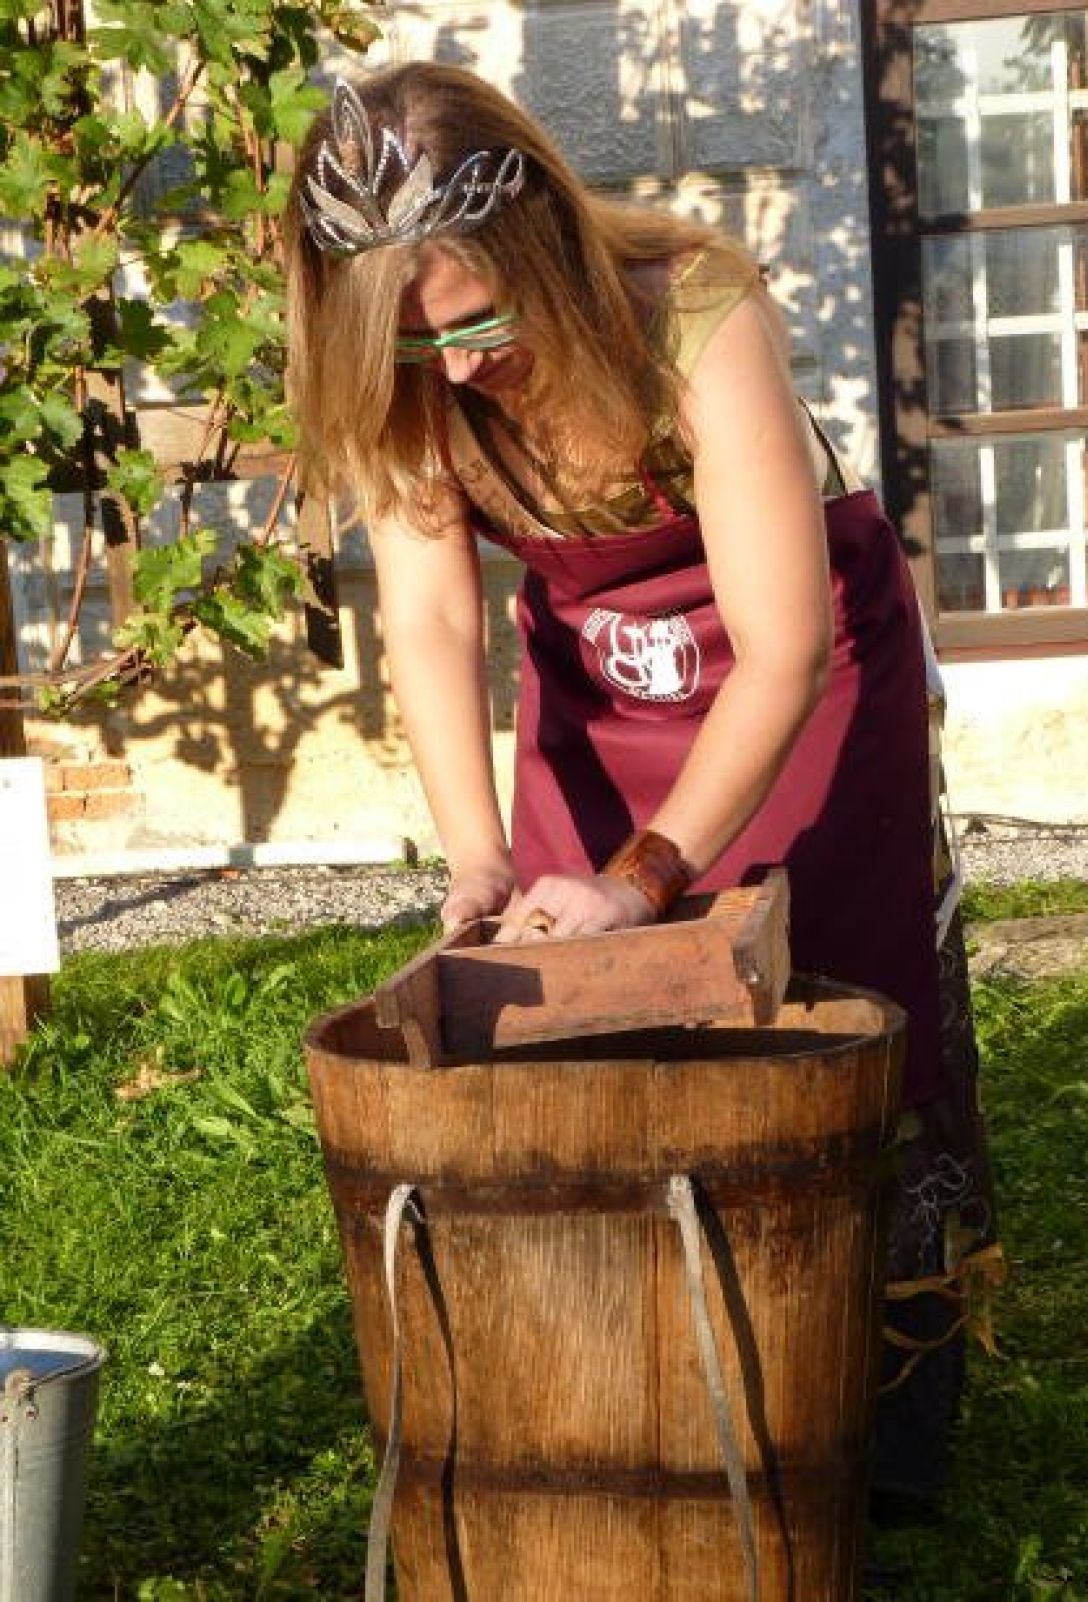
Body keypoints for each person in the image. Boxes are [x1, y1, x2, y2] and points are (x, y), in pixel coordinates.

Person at [284, 60, 1000, 1508]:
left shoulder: (692, 311)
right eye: (417, 346)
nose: (455, 370)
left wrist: (648, 873)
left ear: (543, 238)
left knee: (838, 998)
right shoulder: (409, 369)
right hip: (603, 688)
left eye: (478, 323)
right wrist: (477, 858)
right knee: (570, 1020)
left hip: (800, 679)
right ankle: (639, 1373)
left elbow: (783, 649)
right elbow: (432, 619)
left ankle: (873, 1407)